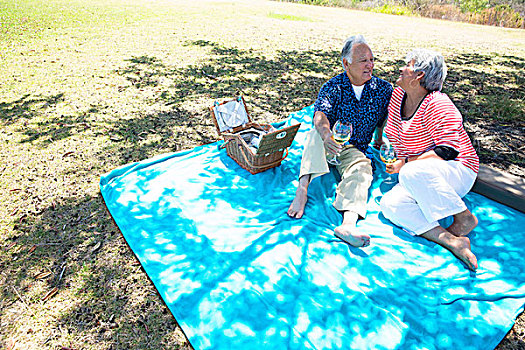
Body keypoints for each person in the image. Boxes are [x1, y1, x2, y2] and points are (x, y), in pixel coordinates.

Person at [287, 35, 393, 247]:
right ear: (346, 63)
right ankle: (302, 190)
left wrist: (380, 140)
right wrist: (327, 136)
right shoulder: (333, 86)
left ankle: (348, 224)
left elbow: (383, 118)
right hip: (329, 142)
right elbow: (320, 115)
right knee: (313, 135)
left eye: (372, 60)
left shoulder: (383, 90)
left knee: (363, 169)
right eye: (363, 60)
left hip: (354, 148)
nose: (370, 65)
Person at [380, 48, 480, 271]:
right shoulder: (398, 96)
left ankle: (463, 217)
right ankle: (452, 240)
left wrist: (404, 163)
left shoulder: (438, 103)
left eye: (407, 65)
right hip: (421, 172)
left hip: (457, 169)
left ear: (419, 76)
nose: (401, 68)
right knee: (390, 204)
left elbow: (449, 150)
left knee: (410, 172)